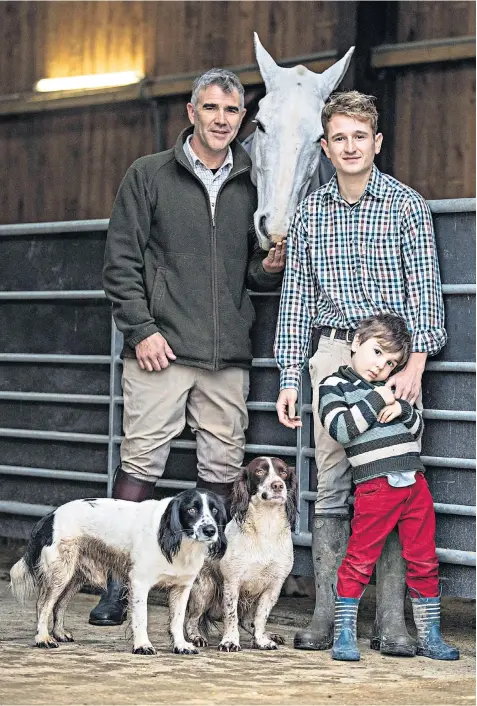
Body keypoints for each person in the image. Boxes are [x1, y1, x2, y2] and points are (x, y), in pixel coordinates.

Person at [90, 68, 285, 626]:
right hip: (162, 348)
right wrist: (141, 330)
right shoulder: (148, 175)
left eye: (233, 112)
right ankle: (116, 585)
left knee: (222, 467)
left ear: (242, 120)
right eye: (212, 109)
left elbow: (249, 270)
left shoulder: (252, 181)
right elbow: (120, 263)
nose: (222, 120)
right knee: (141, 461)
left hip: (227, 355)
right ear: (191, 111)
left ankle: (199, 585)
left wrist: (268, 267)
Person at [275, 91, 446, 655]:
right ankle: (328, 614)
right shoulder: (311, 212)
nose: (349, 147)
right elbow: (296, 297)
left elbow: (425, 292)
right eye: (338, 138)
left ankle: (392, 623)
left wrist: (415, 364)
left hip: (394, 360)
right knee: (332, 485)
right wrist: (290, 376)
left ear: (376, 143)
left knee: (394, 484)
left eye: (359, 137)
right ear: (325, 149)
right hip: (333, 356)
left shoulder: (405, 205)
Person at [318, 313, 459, 662]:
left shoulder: (392, 388)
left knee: (424, 559)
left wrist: (401, 409)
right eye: (377, 352)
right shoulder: (334, 386)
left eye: (392, 362)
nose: (382, 366)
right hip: (375, 488)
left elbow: (415, 427)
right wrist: (378, 400)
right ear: (356, 343)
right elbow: (340, 428)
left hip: (414, 484)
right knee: (359, 559)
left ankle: (430, 635)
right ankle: (344, 634)